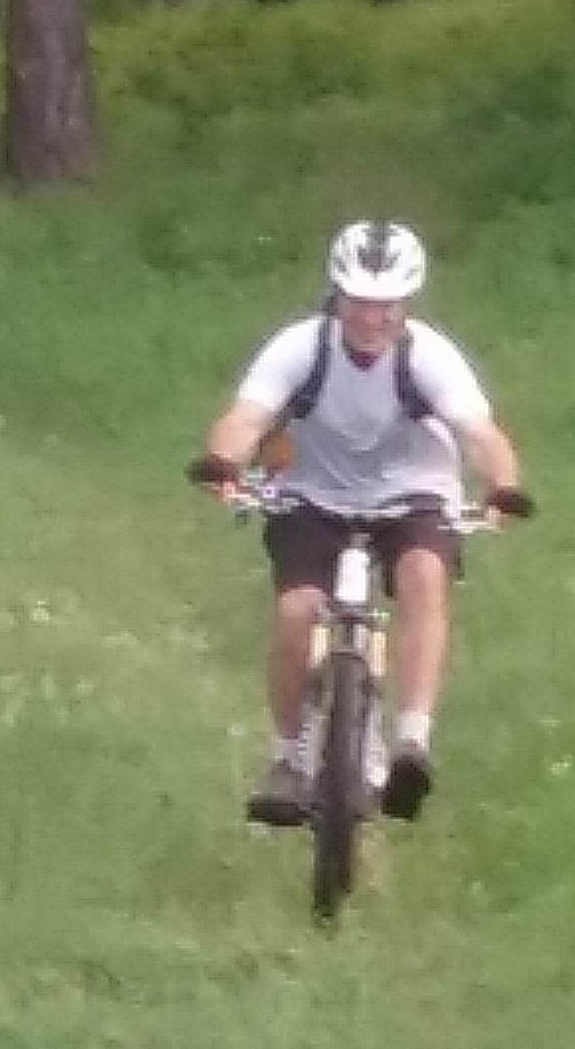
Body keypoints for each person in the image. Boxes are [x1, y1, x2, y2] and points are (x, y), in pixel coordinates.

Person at [190, 217, 532, 826]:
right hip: (311, 493)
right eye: (359, 302)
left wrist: (504, 487)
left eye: (387, 305)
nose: (372, 319)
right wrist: (223, 462)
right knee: (297, 611)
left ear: (407, 303)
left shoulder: (429, 356)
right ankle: (290, 756)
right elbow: (245, 417)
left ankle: (412, 742)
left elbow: (481, 435)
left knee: (425, 574)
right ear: (337, 295)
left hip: (413, 493)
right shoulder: (301, 348)